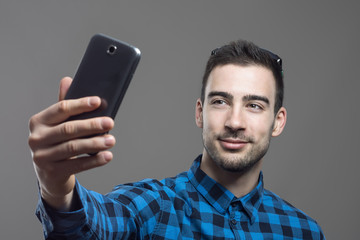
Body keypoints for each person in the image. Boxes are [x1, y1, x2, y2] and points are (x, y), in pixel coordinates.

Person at [29, 39, 325, 239]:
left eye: (254, 106)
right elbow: (95, 226)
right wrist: (58, 190)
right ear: (200, 113)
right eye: (220, 102)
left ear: (278, 121)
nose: (235, 122)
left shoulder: (303, 231)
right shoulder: (153, 207)